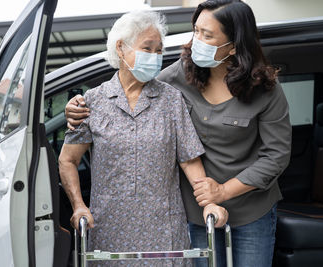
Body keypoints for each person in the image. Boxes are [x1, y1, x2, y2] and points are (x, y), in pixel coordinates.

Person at [65, 1, 292, 267]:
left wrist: (221, 192)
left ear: (232, 45)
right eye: (196, 31)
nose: (196, 41)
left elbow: (276, 155)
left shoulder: (265, 89)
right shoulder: (178, 76)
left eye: (207, 35)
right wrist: (76, 110)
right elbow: (136, 86)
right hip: (197, 211)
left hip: (251, 208)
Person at [59, 10, 228, 267]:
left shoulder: (171, 100)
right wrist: (78, 206)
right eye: (147, 48)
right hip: (109, 230)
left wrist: (209, 204)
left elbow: (189, 160)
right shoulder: (92, 101)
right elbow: (68, 160)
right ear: (121, 48)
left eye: (159, 51)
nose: (155, 57)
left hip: (163, 229)